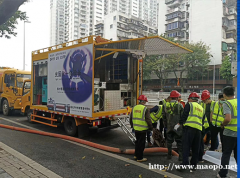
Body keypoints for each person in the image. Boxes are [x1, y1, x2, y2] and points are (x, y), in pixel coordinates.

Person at [178, 92, 204, 172]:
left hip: (189, 129)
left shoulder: (189, 105)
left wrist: (180, 123)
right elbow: (202, 120)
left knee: (186, 147)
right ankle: (193, 165)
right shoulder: (201, 108)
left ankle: (185, 164)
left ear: (191, 99)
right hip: (198, 130)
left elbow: (185, 115)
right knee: (196, 148)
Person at [217, 86, 237, 178]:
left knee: (226, 154)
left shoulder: (227, 103)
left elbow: (228, 118)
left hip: (230, 132)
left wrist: (222, 124)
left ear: (224, 94)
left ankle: (223, 174)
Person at [130, 95, 153, 162]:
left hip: (136, 128)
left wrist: (132, 126)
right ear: (144, 101)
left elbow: (131, 118)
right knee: (141, 144)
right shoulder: (145, 109)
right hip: (143, 129)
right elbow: (148, 119)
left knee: (137, 142)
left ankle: (136, 155)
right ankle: (140, 158)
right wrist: (151, 127)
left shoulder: (134, 107)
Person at [162, 90, 183, 161]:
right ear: (177, 98)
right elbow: (182, 116)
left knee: (169, 141)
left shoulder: (165, 105)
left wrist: (165, 124)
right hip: (177, 127)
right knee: (179, 142)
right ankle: (180, 157)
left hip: (169, 126)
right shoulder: (179, 105)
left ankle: (169, 155)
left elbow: (163, 116)